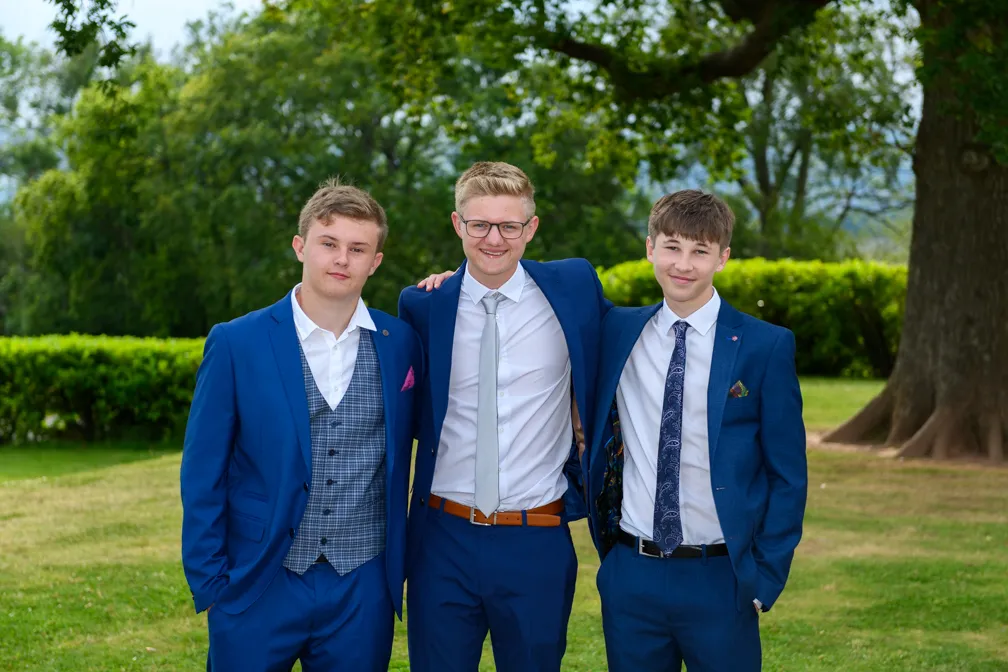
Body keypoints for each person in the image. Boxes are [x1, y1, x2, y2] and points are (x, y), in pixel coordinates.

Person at [180, 178, 423, 672]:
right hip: (259, 579)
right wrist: (212, 583)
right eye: (328, 244)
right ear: (300, 247)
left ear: (375, 261)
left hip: (362, 583)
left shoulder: (401, 343)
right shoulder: (236, 343)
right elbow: (202, 470)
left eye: (358, 249)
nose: (342, 259)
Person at [398, 161, 610, 672]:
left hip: (534, 537)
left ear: (530, 228)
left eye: (509, 226)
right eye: (480, 225)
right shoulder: (422, 307)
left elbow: (618, 351)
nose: (494, 239)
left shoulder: (575, 287)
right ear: (458, 225)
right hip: (441, 538)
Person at [584, 189, 808, 671]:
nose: (683, 264)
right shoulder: (618, 331)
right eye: (672, 247)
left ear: (722, 258)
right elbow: (543, 286)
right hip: (632, 572)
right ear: (650, 249)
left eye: (700, 251)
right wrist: (457, 278)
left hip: (719, 576)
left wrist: (764, 579)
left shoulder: (764, 346)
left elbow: (788, 475)